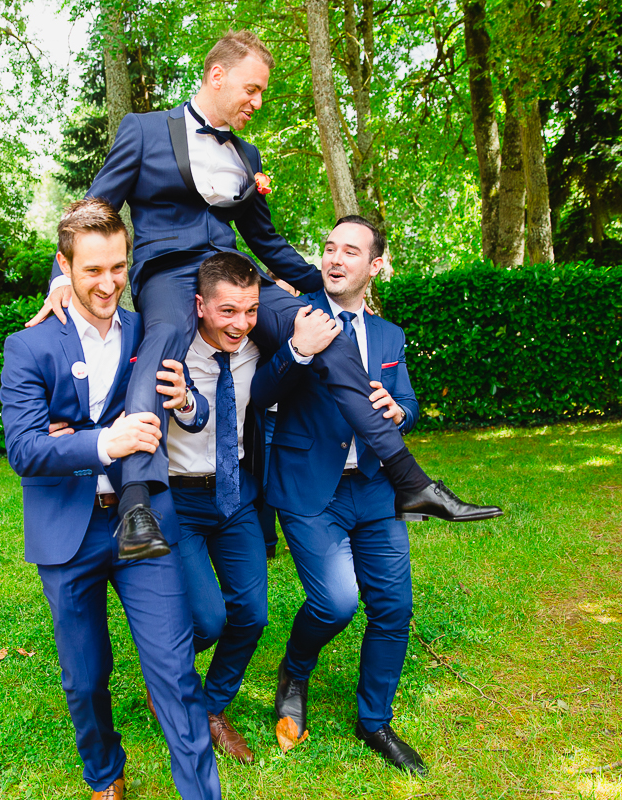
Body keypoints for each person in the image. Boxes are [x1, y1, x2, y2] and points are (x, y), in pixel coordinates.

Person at [28, 30, 500, 561]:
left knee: (324, 331)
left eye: (261, 93)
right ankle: (136, 503)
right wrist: (60, 279)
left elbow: (266, 242)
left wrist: (328, 282)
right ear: (217, 75)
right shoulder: (144, 130)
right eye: (251, 90)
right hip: (167, 271)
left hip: (234, 271)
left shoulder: (247, 155)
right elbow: (94, 209)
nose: (257, 102)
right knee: (161, 343)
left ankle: (410, 480)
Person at [0, 199, 220, 800]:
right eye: (93, 270)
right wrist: (103, 442)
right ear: (64, 266)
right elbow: (23, 448)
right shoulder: (28, 347)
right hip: (67, 533)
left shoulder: (149, 331)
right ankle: (104, 773)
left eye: (118, 268)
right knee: (85, 677)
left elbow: (195, 410)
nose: (108, 283)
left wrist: (185, 401)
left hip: (142, 519)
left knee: (175, 672)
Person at [253, 216, 434, 775]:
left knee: (393, 608)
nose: (335, 258)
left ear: (375, 265)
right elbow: (259, 393)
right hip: (310, 486)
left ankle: (374, 720)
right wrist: (299, 351)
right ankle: (295, 669)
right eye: (329, 248)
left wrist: (400, 411)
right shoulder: (292, 313)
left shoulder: (389, 335)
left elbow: (409, 403)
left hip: (375, 487)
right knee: (335, 603)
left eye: (350, 251)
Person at [165, 252, 340, 763]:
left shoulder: (259, 348)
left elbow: (309, 329)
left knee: (252, 614)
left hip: (237, 494)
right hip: (178, 496)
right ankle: (168, 677)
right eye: (227, 311)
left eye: (250, 311)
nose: (240, 324)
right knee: (208, 620)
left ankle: (212, 707)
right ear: (200, 306)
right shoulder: (169, 348)